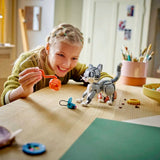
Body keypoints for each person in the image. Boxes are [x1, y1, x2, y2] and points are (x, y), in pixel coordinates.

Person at [1, 23, 112, 105]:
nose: (67, 64)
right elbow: (4, 99)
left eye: (74, 58)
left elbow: (94, 73)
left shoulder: (71, 67)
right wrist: (22, 91)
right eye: (60, 55)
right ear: (48, 48)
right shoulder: (28, 62)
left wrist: (106, 84)